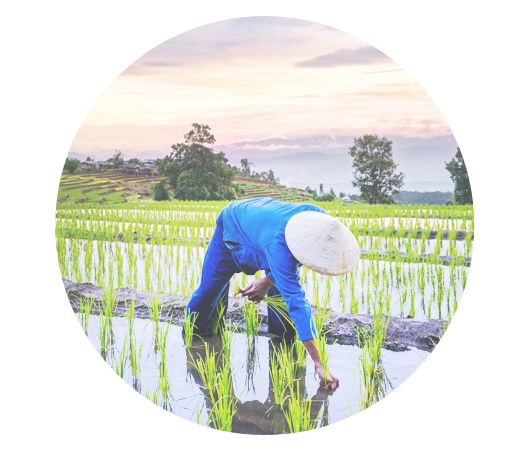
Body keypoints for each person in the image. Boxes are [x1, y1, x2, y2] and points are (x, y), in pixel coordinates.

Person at [186, 197, 360, 389]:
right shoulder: (278, 245)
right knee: (208, 293)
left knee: (281, 298)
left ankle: (282, 340)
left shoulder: (320, 221)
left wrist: (268, 280)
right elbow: (297, 303)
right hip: (233, 226)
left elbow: (295, 259)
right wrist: (319, 363)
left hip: (264, 231)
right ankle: (194, 336)